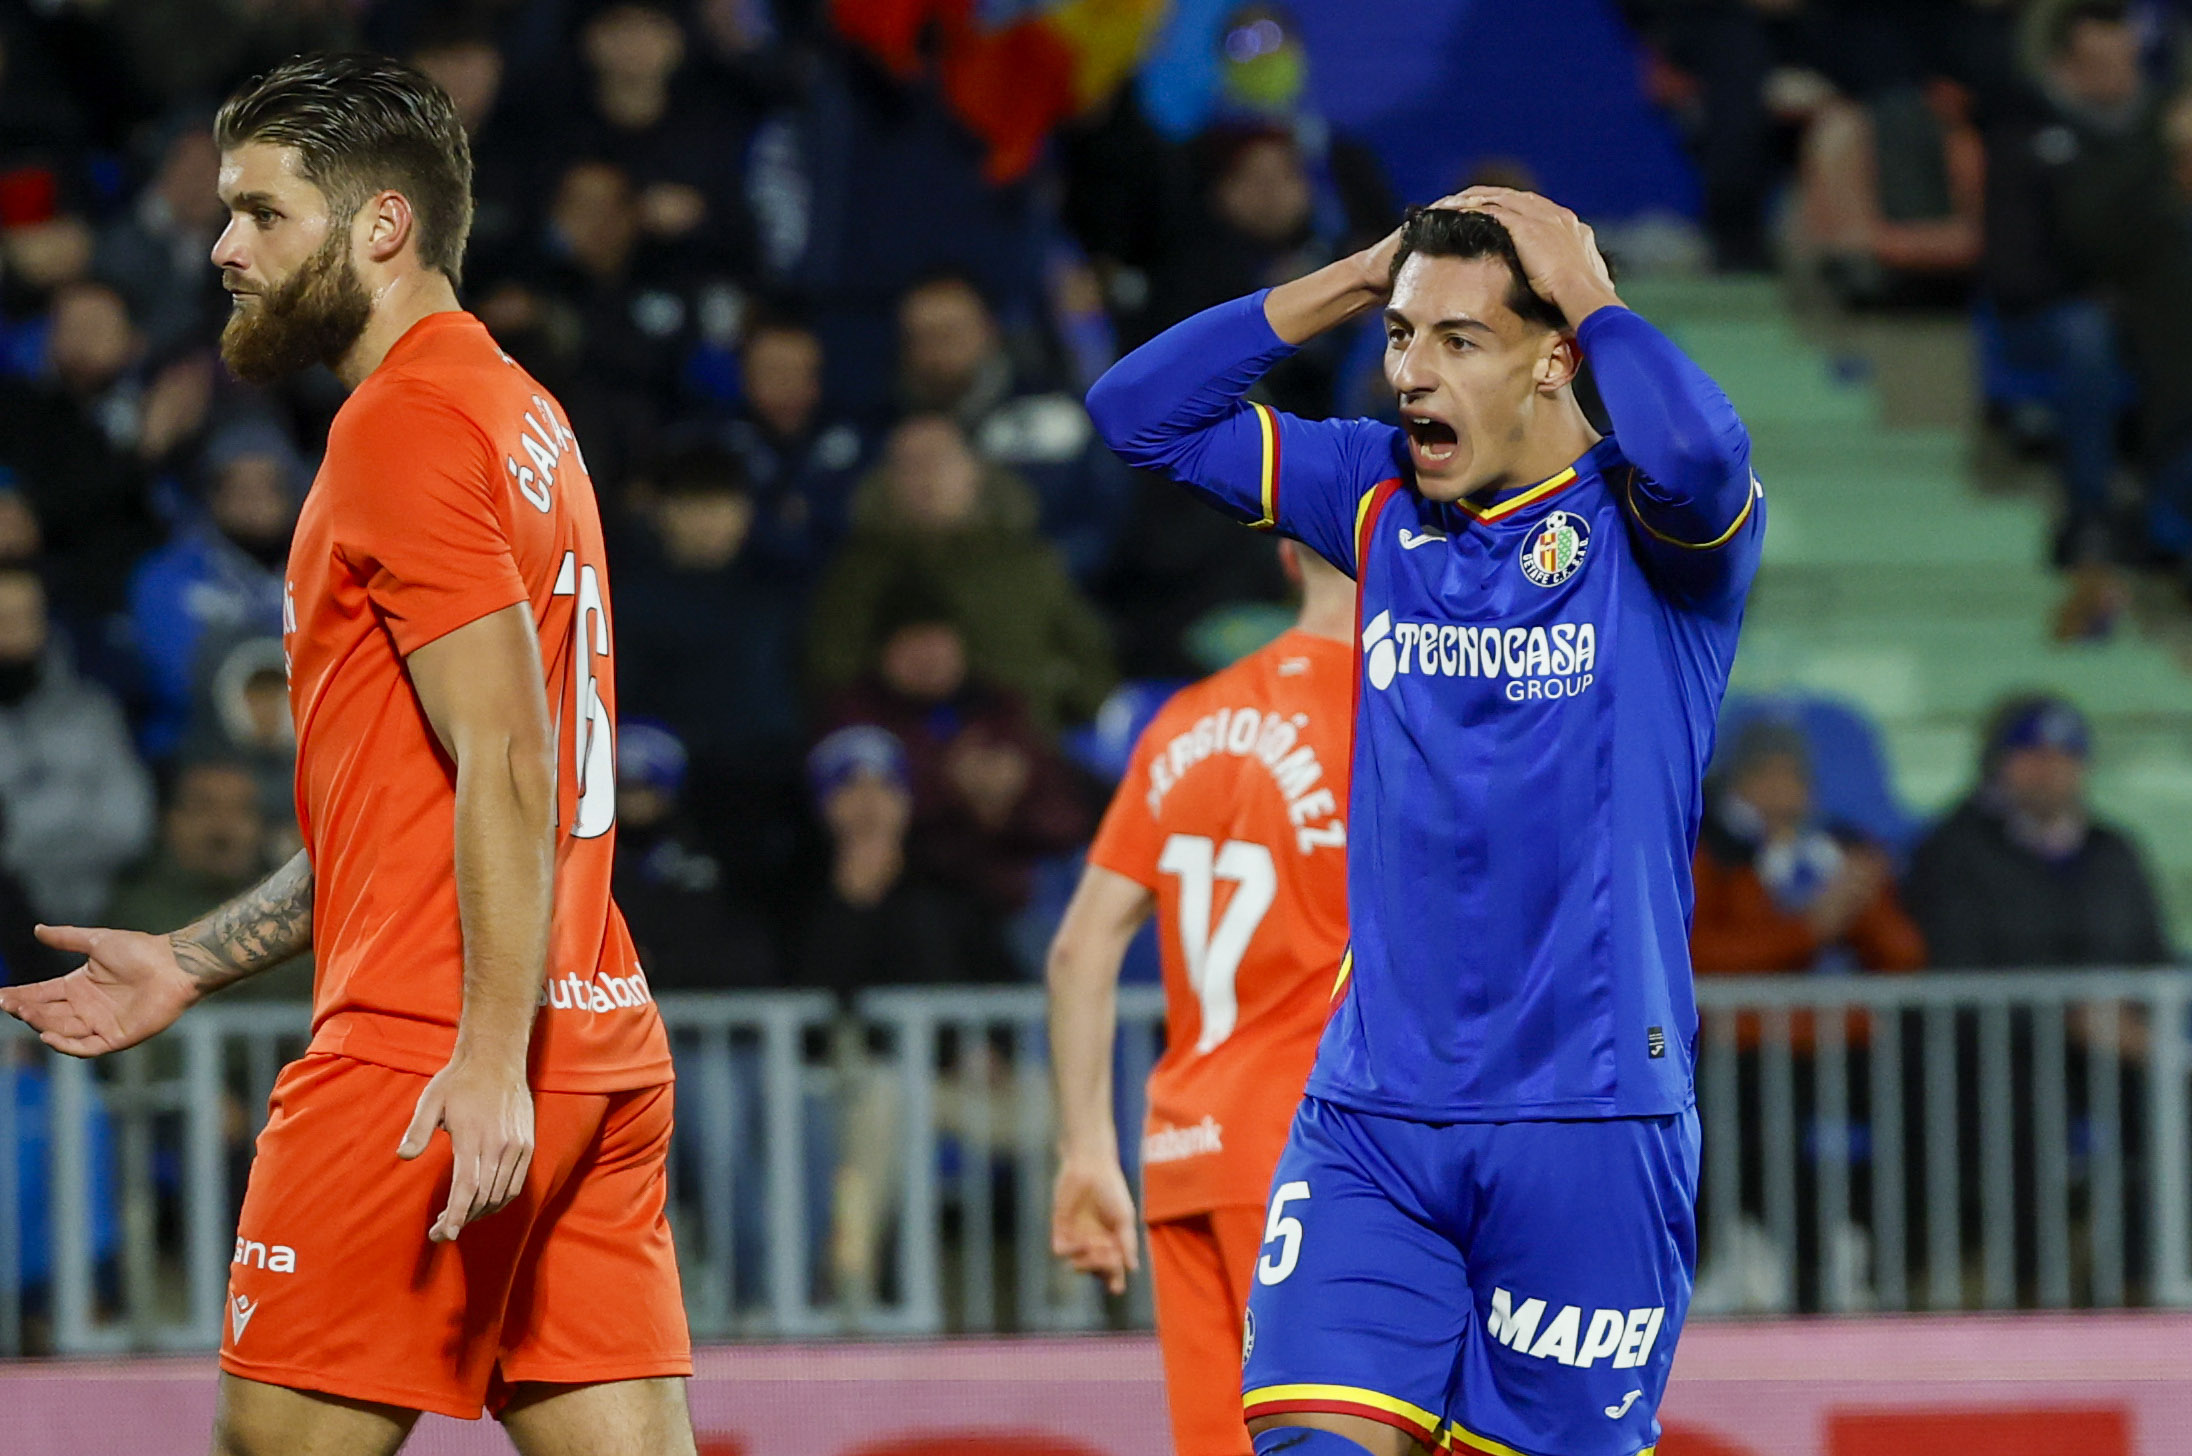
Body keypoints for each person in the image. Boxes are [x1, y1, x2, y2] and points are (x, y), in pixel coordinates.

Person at [0, 55, 693, 1456]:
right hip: (597, 1034)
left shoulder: (402, 428)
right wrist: (194, 957)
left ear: (382, 226)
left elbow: (510, 758)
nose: (222, 248)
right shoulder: (522, 416)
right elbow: (426, 802)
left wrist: (485, 1060)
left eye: (261, 213)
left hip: (428, 1060)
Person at [1086, 188, 1763, 1456]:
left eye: (1457, 340)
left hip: (1589, 1118)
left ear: (1552, 354)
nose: (1409, 372)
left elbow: (1705, 455)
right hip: (1370, 1118)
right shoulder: (1372, 497)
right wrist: (1353, 278)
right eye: (1401, 339)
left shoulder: (1651, 530)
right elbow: (1137, 415)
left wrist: (1596, 292)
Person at [1049, 539, 1354, 1456]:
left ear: (1291, 552)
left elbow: (1077, 949)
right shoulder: (1394, 710)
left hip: (1184, 1149)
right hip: (1322, 1155)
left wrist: (1085, 1153)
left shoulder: (1187, 717)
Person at [807, 411, 1116, 734]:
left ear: (974, 471)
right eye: (909, 465)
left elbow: (1090, 657)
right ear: (887, 481)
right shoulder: (858, 572)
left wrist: (1061, 723)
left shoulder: (1026, 562)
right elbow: (832, 673)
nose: (926, 476)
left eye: (939, 460)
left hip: (1027, 756)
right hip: (907, 763)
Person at [1905, 693, 2169, 970]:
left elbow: (2154, 955)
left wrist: (2131, 1010)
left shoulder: (2113, 851)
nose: (2050, 769)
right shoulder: (1952, 850)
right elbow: (1955, 966)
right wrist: (2067, 1009)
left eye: (2067, 754)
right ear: (1997, 761)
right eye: (2033, 754)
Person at [1689, 720, 1925, 978]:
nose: (1779, 792)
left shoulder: (1842, 851)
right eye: (1762, 776)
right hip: (1750, 1016)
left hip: (1838, 1016)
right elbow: (1698, 956)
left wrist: (1862, 902)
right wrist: (1809, 929)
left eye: (1792, 777)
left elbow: (1904, 957)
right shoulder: (1712, 857)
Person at [0, 564, 154, 925]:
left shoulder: (93, 713)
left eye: (25, 617)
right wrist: (72, 814)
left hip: (98, 912)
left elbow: (129, 827)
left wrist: (16, 833)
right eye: (2, 619)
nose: (12, 632)